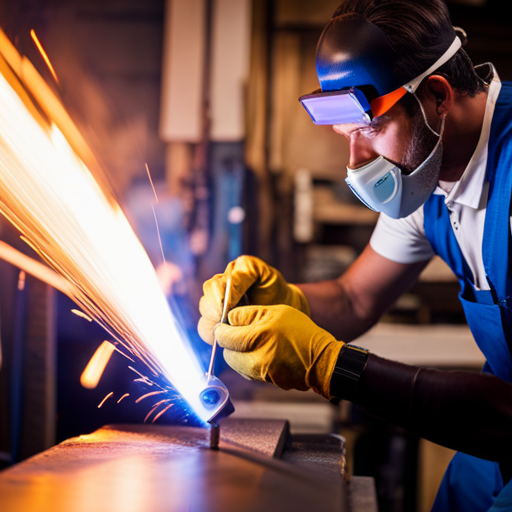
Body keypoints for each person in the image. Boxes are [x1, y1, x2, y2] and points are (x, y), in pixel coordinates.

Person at [198, 1, 512, 510]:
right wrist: (285, 301)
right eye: (347, 137)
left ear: (436, 96)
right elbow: (353, 298)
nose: (356, 164)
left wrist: (332, 367)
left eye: (369, 130)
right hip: (490, 442)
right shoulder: (425, 172)